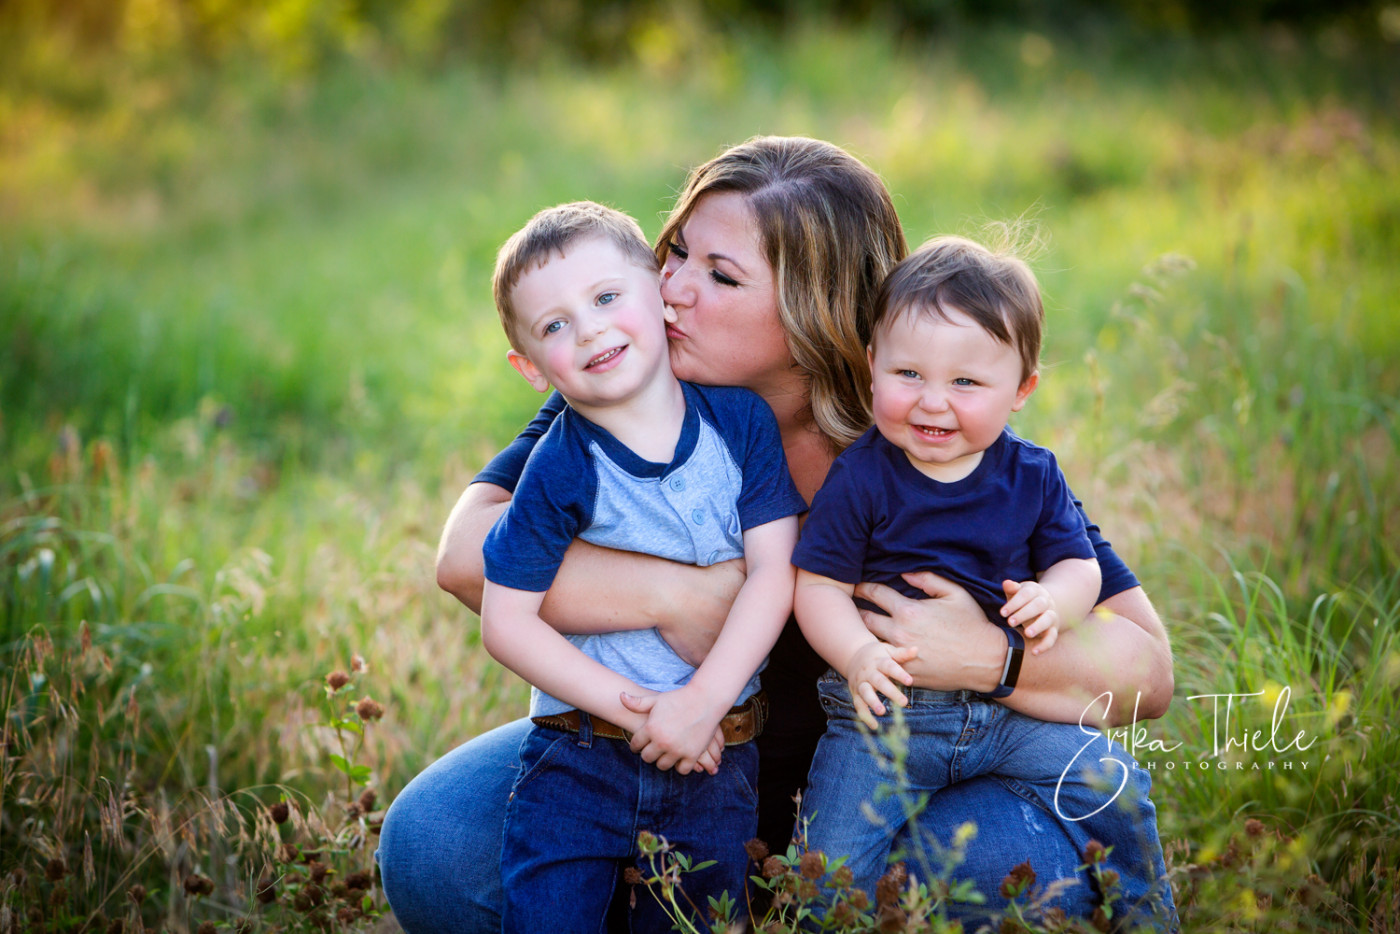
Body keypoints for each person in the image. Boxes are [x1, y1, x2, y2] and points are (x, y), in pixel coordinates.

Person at [378, 136, 1177, 932]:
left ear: (817, 315)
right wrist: (677, 594)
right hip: (674, 755)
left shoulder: (927, 436)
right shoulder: (629, 393)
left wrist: (988, 656)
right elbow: (466, 557)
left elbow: (1148, 670)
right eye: (676, 252)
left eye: (720, 277)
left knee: (989, 868)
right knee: (436, 843)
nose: (670, 290)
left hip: (902, 785)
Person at [792, 234, 1171, 925]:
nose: (933, 403)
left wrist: (1051, 601)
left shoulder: (1032, 474)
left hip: (1008, 716)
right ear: (872, 365)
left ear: (1022, 388)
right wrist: (856, 653)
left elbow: (1078, 565)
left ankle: (1146, 915)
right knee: (826, 866)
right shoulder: (862, 476)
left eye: (966, 383)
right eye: (908, 374)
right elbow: (815, 586)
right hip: (885, 726)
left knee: (1112, 782)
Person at [478, 200, 804, 932]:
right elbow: (505, 621)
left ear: (659, 297)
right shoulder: (559, 462)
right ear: (530, 368)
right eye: (555, 326)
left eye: (604, 299)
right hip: (577, 757)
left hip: (719, 755)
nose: (589, 328)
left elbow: (773, 573)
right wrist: (644, 709)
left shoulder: (738, 424)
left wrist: (702, 703)